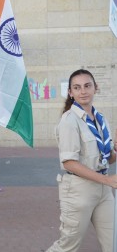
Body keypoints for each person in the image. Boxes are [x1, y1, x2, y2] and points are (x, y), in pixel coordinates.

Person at [46, 69, 117, 252]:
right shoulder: (69, 120)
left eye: (87, 86)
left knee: (113, 243)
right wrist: (107, 180)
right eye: (77, 88)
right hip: (79, 190)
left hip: (104, 191)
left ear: (96, 88)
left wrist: (115, 150)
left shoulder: (101, 119)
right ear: (70, 92)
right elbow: (69, 162)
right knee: (68, 247)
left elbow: (108, 159)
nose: (83, 91)